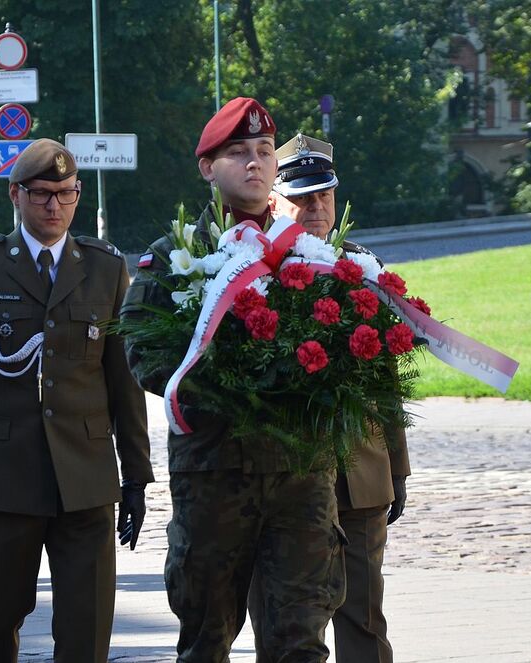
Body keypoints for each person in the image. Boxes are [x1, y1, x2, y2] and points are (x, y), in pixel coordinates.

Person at [122, 99, 346, 662]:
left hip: (301, 478)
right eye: (238, 153)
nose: (254, 163)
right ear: (207, 168)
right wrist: (231, 382)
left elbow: (351, 354)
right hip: (215, 474)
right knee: (206, 640)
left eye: (264, 152)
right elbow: (143, 351)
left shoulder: (314, 255)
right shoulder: (175, 257)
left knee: (301, 641)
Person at [0, 138, 154, 662]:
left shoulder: (105, 266)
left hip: (86, 479)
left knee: (87, 631)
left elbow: (124, 380)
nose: (54, 206)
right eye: (43, 194)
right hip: (2, 476)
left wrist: (135, 475)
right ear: (15, 195)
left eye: (65, 194)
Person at [247, 133, 412, 663]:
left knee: (365, 620)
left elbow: (385, 379)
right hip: (284, 478)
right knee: (287, 625)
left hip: (358, 475)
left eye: (324, 195)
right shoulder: (250, 269)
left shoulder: (362, 267)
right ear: (274, 200)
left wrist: (398, 468)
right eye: (302, 196)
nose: (315, 207)